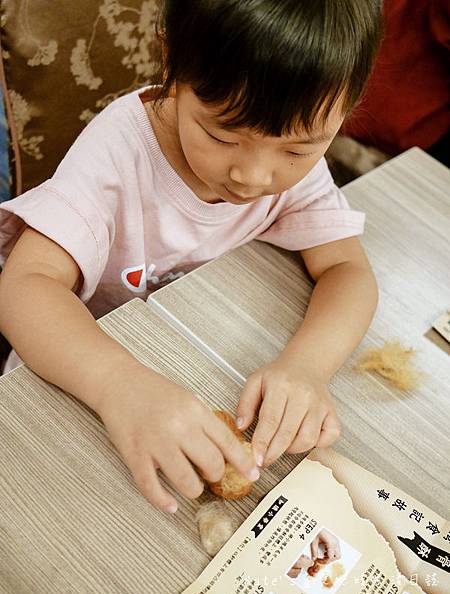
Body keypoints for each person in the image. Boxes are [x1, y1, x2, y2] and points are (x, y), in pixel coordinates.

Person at [0, 0, 381, 514]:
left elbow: (347, 269)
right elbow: (25, 286)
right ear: (171, 62)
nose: (255, 177)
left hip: (188, 360)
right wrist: (119, 385)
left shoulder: (285, 138)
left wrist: (307, 367)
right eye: (223, 135)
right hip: (72, 376)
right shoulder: (120, 153)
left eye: (297, 151)